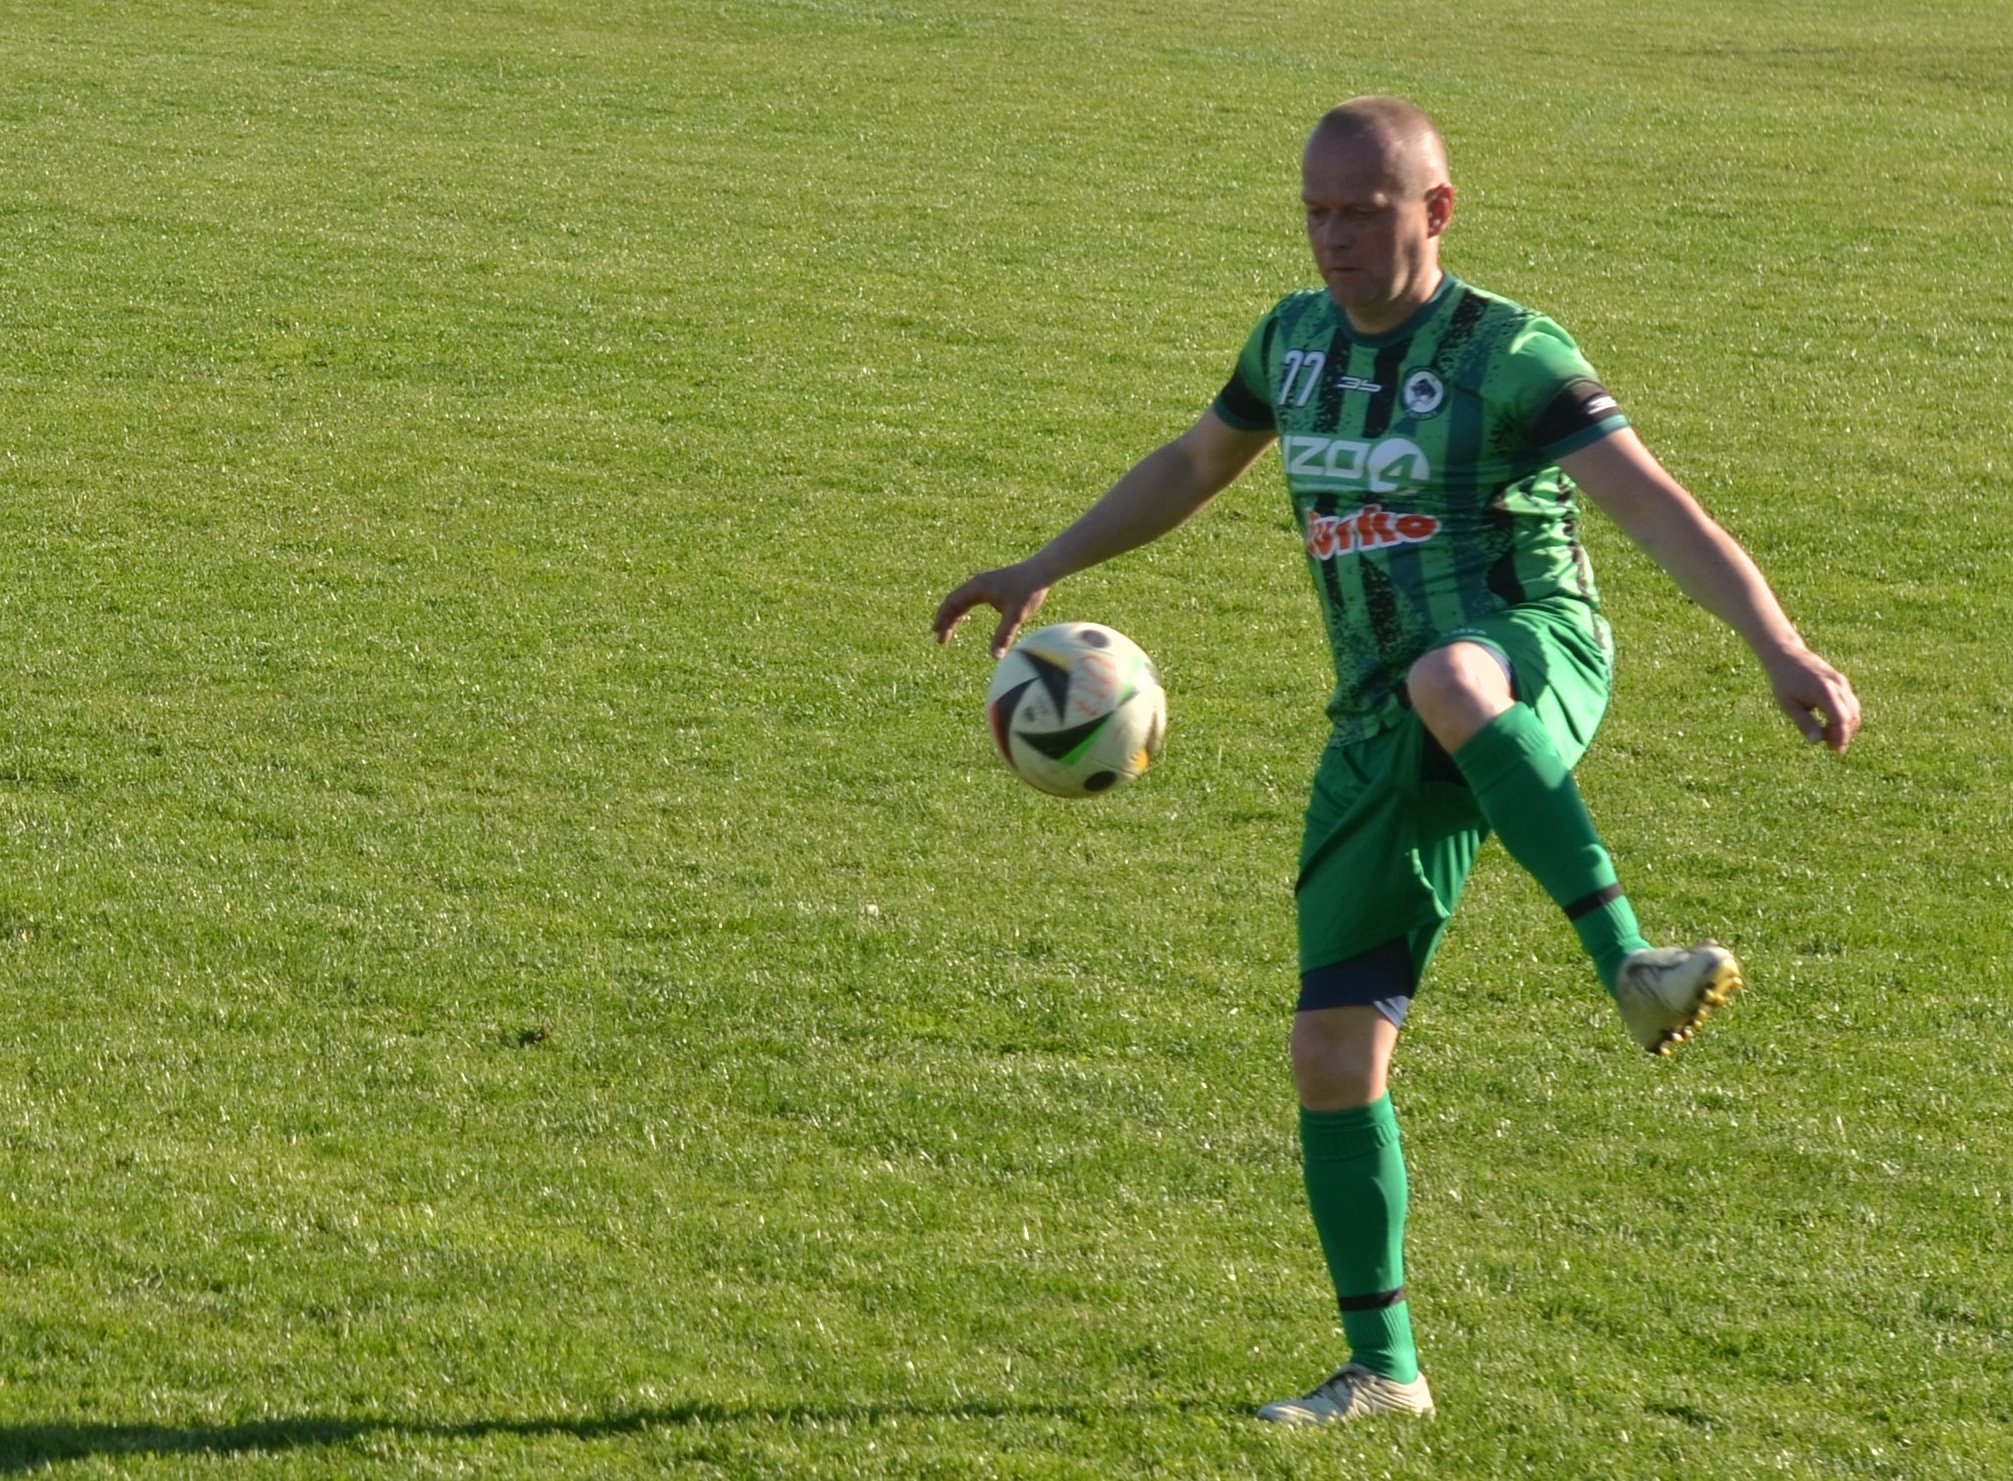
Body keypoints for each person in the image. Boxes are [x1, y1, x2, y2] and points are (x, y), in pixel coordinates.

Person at [931, 95, 1860, 1425]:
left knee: (1451, 675)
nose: (1332, 239)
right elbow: (1195, 461)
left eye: (1361, 214)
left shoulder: (1510, 352)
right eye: (1314, 212)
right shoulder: (1291, 343)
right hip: (1381, 717)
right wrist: (1044, 562)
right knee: (1330, 1053)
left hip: (1529, 651)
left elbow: (1656, 506)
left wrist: (1777, 645)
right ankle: (1385, 1371)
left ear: (1436, 210)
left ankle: (1631, 965)